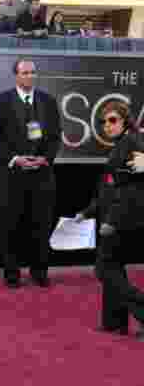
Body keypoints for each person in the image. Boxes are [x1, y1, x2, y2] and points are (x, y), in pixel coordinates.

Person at [0, 59, 62, 288]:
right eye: (25, 73)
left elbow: (55, 136)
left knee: (41, 225)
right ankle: (12, 274)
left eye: (33, 72)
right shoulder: (1, 102)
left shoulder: (48, 102)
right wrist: (15, 158)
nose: (30, 76)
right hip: (12, 174)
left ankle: (39, 272)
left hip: (41, 175)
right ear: (16, 76)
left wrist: (45, 159)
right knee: (11, 225)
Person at [74, 102, 144, 335]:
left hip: (122, 217)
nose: (107, 125)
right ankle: (115, 322)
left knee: (104, 269)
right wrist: (88, 212)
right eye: (104, 121)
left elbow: (130, 190)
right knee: (114, 267)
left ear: (125, 121)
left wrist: (112, 220)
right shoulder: (121, 144)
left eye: (113, 120)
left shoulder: (132, 141)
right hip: (114, 215)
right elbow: (110, 189)